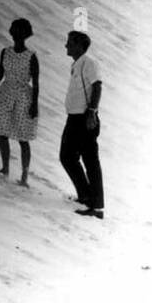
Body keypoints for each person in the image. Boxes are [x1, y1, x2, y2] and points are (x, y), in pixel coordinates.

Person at [0, 18, 40, 186]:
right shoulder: (5, 52)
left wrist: (34, 104)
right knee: (3, 132)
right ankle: (5, 168)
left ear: (23, 33)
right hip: (6, 93)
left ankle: (24, 177)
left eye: (15, 29)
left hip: (23, 97)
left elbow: (35, 83)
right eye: (12, 29)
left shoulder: (31, 56)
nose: (12, 31)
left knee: (23, 137)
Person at [60, 30, 105, 219]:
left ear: (80, 46)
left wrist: (92, 112)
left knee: (90, 161)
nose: (66, 46)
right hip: (74, 118)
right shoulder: (77, 64)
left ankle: (97, 207)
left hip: (85, 119)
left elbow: (97, 86)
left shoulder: (89, 63)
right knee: (67, 156)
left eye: (70, 43)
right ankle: (86, 196)